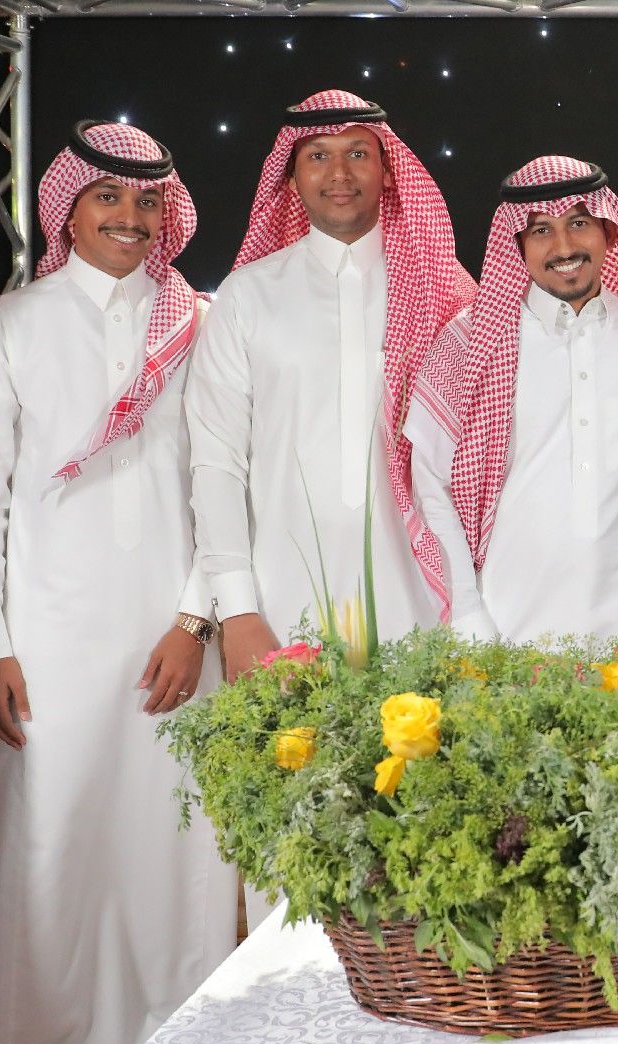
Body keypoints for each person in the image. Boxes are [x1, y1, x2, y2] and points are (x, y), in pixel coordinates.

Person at [0, 121, 236, 1044]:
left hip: (174, 636)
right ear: (65, 208)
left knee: (176, 846)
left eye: (147, 201)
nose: (129, 217)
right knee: (53, 840)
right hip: (51, 636)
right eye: (107, 198)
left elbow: (221, 479)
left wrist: (196, 618)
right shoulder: (8, 324)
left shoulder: (197, 321)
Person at [185, 89, 472, 675]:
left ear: (388, 171)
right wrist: (237, 610)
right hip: (277, 606)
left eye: (357, 153)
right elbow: (217, 460)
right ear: (290, 177)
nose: (339, 173)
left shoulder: (446, 296)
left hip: (423, 604)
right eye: (317, 155)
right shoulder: (248, 294)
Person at [406, 157, 618, 643]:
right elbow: (429, 484)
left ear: (609, 231)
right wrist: (466, 611)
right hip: (506, 624)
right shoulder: (470, 342)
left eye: (579, 223)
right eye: (541, 230)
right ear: (517, 242)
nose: (563, 247)